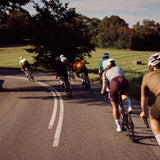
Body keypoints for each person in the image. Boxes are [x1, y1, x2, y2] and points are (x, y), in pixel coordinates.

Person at [101, 58, 133, 132]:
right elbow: (123, 76)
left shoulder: (105, 72)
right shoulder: (119, 68)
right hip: (124, 81)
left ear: (107, 65)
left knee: (115, 106)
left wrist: (103, 92)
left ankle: (119, 126)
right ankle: (129, 106)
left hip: (114, 83)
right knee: (123, 94)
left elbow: (104, 87)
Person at [140, 53, 160, 146]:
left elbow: (144, 98)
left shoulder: (147, 76)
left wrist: (144, 112)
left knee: (153, 117)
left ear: (151, 67)